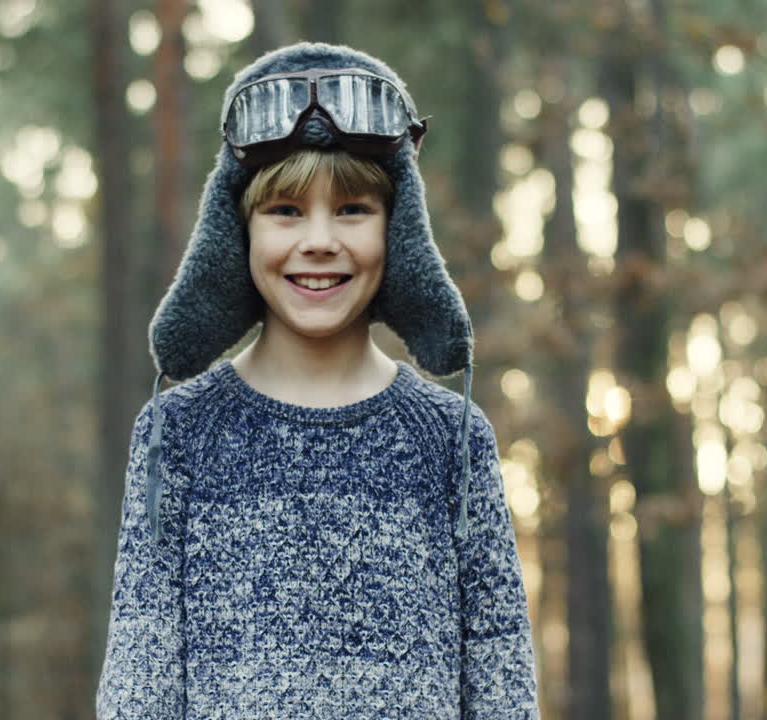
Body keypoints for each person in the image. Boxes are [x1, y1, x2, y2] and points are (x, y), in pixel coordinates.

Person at [95, 42, 539, 719]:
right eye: (286, 211)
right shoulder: (176, 433)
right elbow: (140, 672)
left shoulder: (452, 437)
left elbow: (501, 670)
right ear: (236, 234)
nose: (320, 240)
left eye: (354, 209)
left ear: (401, 232)